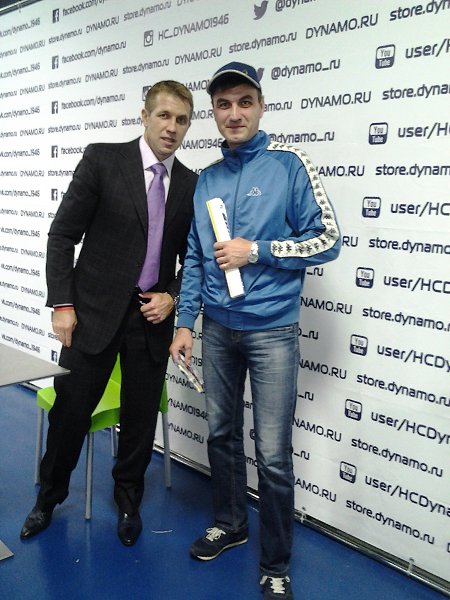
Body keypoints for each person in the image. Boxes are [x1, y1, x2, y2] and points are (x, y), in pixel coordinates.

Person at [169, 62, 341, 599]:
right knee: (221, 435)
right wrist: (185, 322)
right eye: (224, 105)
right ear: (214, 113)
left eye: (245, 102)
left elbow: (327, 240)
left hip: (272, 333)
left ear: (261, 106)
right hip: (219, 330)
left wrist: (257, 250)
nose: (235, 113)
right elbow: (196, 257)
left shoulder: (290, 165)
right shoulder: (207, 179)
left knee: (272, 454)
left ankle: (277, 562)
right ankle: (230, 523)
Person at [21, 80, 198, 546]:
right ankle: (48, 498)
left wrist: (172, 296)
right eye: (164, 115)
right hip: (92, 316)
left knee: (139, 423)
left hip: (151, 322)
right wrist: (62, 304)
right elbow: (62, 235)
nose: (172, 127)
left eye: (181, 120)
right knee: (70, 416)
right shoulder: (103, 160)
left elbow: (193, 261)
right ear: (144, 116)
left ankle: (128, 501)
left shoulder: (190, 184)